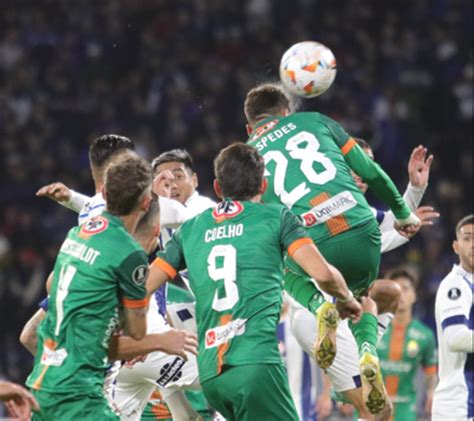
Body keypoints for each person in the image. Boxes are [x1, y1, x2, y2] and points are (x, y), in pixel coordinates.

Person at [146, 143, 361, 420]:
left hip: (211, 373)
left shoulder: (190, 229)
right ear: (264, 185)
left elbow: (144, 288)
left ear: (218, 188)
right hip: (255, 363)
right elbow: (323, 275)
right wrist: (347, 298)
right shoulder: (276, 217)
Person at [244, 83, 419, 414]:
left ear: (248, 124)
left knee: (282, 258)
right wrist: (404, 210)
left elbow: (259, 226)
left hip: (311, 268)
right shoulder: (316, 121)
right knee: (370, 295)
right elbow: (371, 172)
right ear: (287, 112)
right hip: (360, 234)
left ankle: (326, 312)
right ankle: (367, 348)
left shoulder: (248, 156)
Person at [308, 139, 438, 419]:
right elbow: (383, 233)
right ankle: (352, 365)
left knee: (389, 292)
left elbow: (392, 222)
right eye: (357, 162)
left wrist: (415, 189)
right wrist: (402, 229)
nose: (363, 172)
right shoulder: (319, 200)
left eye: (368, 165)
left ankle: (359, 356)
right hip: (312, 306)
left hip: (336, 310)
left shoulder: (359, 211)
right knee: (378, 412)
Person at [26, 155, 154, 420]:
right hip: (77, 394)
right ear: (146, 201)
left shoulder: (77, 235)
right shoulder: (130, 254)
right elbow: (137, 331)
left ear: (105, 193)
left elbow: (52, 284)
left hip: (42, 382)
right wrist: (164, 341)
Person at [36, 134, 190, 228]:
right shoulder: (138, 208)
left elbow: (104, 208)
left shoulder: (90, 210)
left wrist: (71, 198)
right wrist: (157, 199)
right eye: (132, 164)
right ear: (119, 170)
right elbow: (192, 218)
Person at [432, 214, 474, 421]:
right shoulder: (455, 285)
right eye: (467, 238)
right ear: (456, 247)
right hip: (459, 404)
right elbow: (456, 338)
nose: (473, 244)